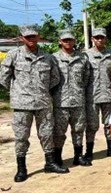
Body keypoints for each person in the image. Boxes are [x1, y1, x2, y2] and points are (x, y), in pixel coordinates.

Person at [0, 25, 69, 182]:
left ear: (38, 36)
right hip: (21, 104)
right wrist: (17, 92)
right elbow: (3, 77)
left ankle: (50, 163)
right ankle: (21, 168)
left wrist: (41, 90)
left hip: (42, 102)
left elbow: (55, 78)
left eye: (34, 36)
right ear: (21, 38)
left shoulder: (48, 57)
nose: (31, 39)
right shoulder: (13, 55)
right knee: (21, 137)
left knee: (46, 134)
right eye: (28, 36)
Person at [52, 29, 92, 167]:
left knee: (79, 130)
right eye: (65, 40)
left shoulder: (82, 58)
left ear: (74, 41)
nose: (68, 42)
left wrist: (79, 90)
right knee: (58, 132)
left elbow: (86, 78)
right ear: (60, 41)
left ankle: (78, 156)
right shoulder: (53, 58)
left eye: (70, 39)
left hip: (78, 100)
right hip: (60, 102)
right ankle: (57, 158)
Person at [84, 28, 111, 159]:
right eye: (97, 37)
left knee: (109, 123)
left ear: (105, 39)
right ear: (92, 39)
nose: (99, 40)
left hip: (108, 95)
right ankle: (89, 151)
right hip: (91, 96)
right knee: (92, 125)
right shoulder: (85, 56)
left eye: (102, 37)